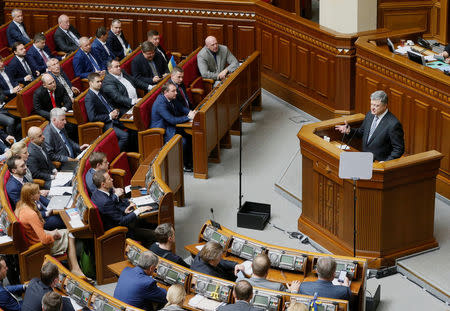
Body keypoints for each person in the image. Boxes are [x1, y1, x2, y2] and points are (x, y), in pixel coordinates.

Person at [14, 184, 87, 280]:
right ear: (31, 196)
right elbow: (44, 240)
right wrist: (53, 236)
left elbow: (35, 231)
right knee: (70, 233)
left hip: (35, 239)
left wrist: (51, 232)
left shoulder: (20, 206)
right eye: (37, 192)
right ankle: (75, 268)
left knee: (66, 231)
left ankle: (74, 268)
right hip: (39, 247)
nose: (40, 193)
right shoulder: (31, 214)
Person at [91, 169, 155, 248]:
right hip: (120, 232)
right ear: (103, 184)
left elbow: (112, 210)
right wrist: (138, 211)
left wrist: (124, 210)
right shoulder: (105, 202)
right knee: (153, 235)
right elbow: (122, 221)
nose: (112, 179)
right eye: (109, 179)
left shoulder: (96, 193)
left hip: (117, 220)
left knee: (145, 220)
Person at [335, 90, 404, 162]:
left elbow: (398, 149)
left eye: (376, 105)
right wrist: (349, 131)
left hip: (378, 164)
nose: (373, 108)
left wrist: (386, 163)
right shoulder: (370, 115)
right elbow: (361, 132)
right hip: (365, 159)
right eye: (372, 104)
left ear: (385, 106)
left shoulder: (393, 124)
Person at [5, 156, 65, 234]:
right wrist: (46, 213)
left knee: (65, 208)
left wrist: (52, 204)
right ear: (14, 170)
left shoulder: (22, 176)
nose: (26, 167)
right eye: (22, 166)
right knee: (65, 219)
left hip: (43, 208)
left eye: (25, 164)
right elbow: (25, 210)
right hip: (38, 219)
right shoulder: (13, 188)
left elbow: (38, 196)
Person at [151, 82, 196, 171]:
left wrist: (190, 112)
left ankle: (190, 162)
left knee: (190, 135)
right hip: (162, 130)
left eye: (176, 90)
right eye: (173, 91)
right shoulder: (161, 103)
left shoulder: (171, 97)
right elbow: (172, 120)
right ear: (165, 92)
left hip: (170, 125)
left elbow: (181, 107)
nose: (176, 93)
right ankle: (181, 165)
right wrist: (188, 117)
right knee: (182, 141)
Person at [85, 72, 128, 150]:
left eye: (101, 81)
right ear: (90, 83)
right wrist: (109, 116)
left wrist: (115, 110)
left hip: (115, 118)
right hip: (105, 124)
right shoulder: (89, 98)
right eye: (98, 82)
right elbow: (92, 117)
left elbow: (110, 103)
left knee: (132, 127)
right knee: (124, 136)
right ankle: (114, 155)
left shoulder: (101, 91)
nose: (100, 83)